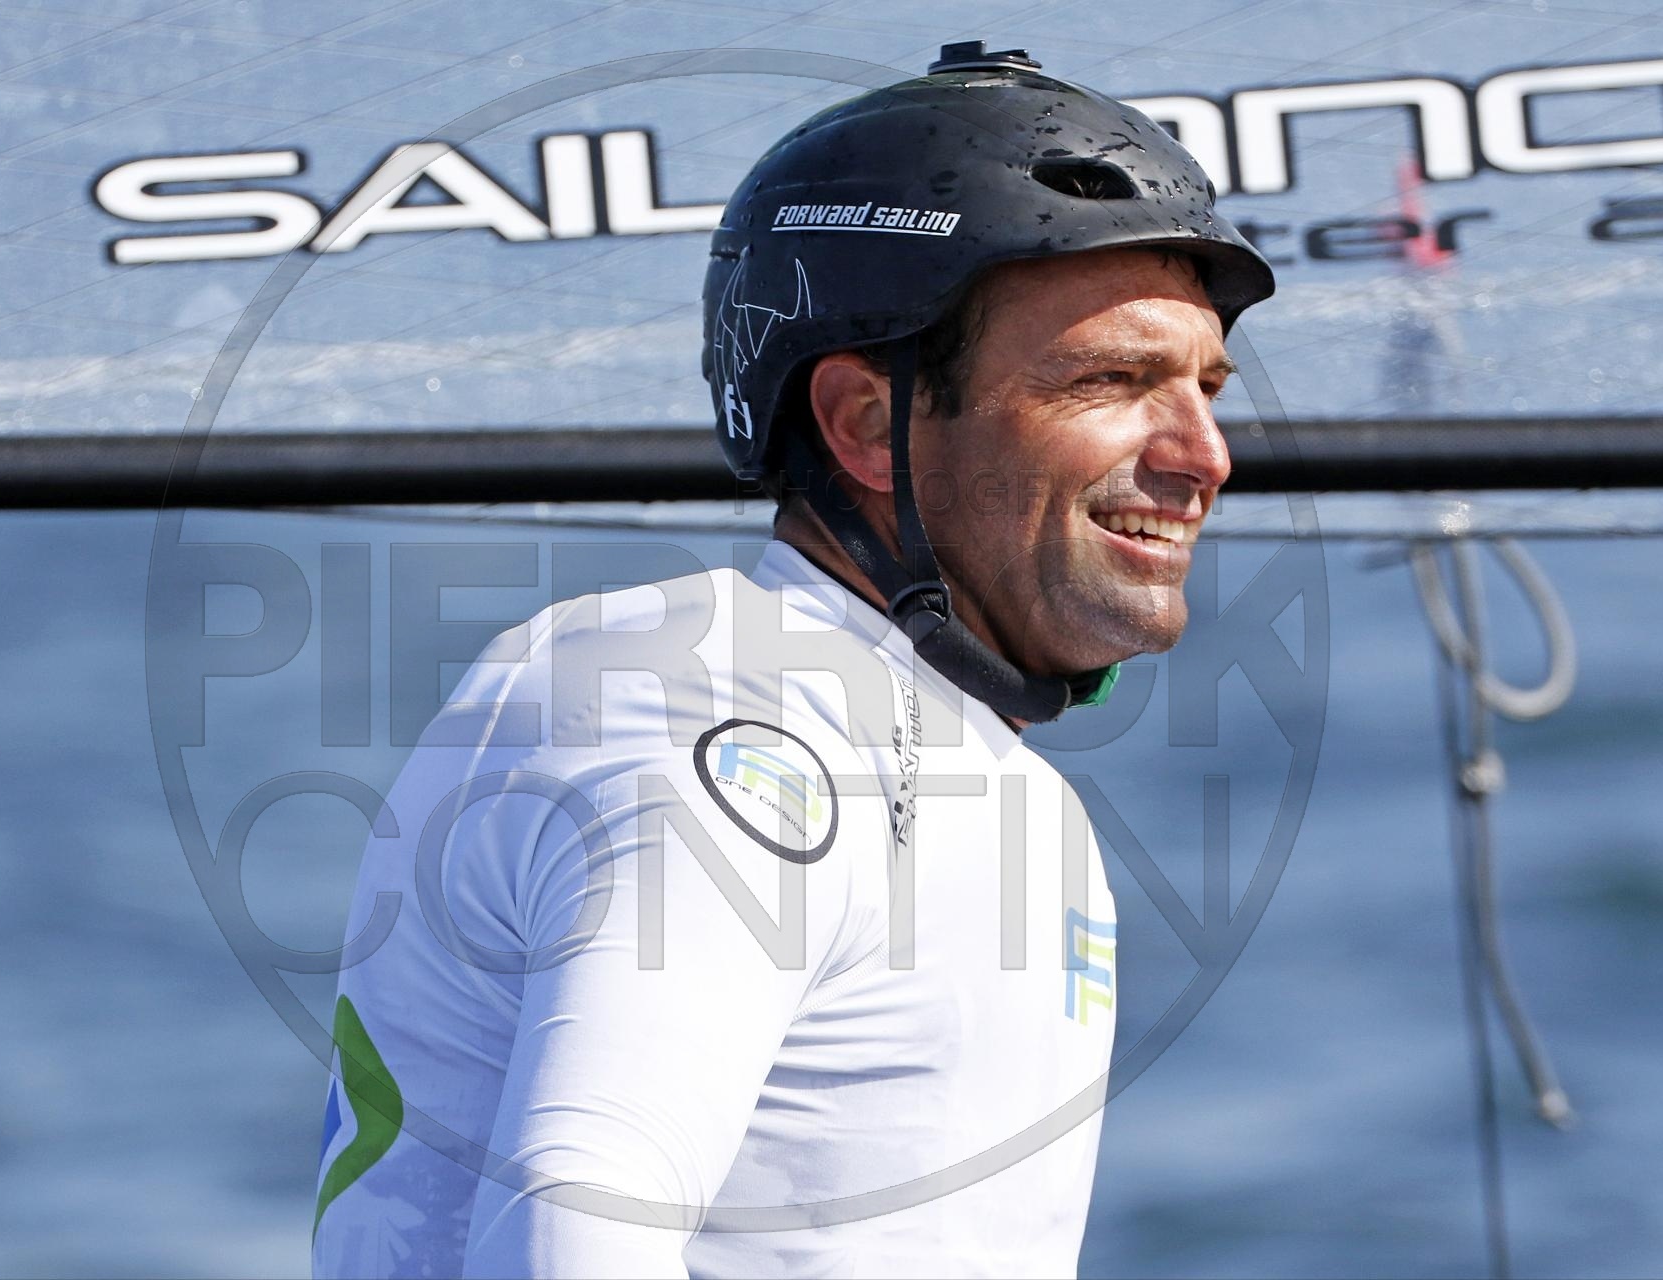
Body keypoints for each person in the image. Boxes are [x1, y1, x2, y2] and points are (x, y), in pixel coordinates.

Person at [312, 40, 1273, 1278]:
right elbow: (577, 1222)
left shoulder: (975, 772)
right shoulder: (711, 694)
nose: (1204, 454)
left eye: (1207, 387)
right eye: (1113, 379)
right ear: (866, 422)